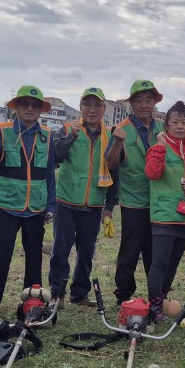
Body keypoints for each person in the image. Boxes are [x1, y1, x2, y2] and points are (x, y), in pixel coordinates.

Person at [0, 85, 54, 308]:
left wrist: (51, 205)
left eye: (35, 105)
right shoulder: (1, 130)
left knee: (34, 257)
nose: (30, 108)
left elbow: (49, 173)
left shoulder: (47, 136)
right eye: (25, 104)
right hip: (6, 204)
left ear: (41, 110)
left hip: (36, 207)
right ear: (16, 107)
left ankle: (33, 300)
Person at [48, 87, 115, 307]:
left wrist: (110, 206)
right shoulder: (68, 128)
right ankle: (56, 293)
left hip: (95, 203)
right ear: (81, 107)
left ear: (104, 109)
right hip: (67, 201)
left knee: (86, 252)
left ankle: (80, 293)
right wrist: (71, 137)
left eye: (97, 105)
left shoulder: (111, 135)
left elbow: (116, 171)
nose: (92, 109)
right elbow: (55, 156)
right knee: (60, 251)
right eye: (88, 104)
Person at [104, 79, 165, 305]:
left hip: (160, 202)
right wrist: (118, 143)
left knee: (155, 253)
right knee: (129, 252)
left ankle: (156, 297)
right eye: (138, 100)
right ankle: (124, 296)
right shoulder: (122, 130)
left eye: (148, 100)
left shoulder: (162, 128)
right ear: (131, 103)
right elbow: (110, 164)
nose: (144, 105)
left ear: (154, 103)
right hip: (133, 201)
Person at [144, 101, 185, 321]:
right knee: (159, 262)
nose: (180, 126)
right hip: (164, 214)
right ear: (167, 125)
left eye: (184, 122)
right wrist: (159, 147)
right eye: (175, 122)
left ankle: (163, 298)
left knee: (173, 263)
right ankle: (154, 305)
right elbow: (152, 173)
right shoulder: (159, 146)